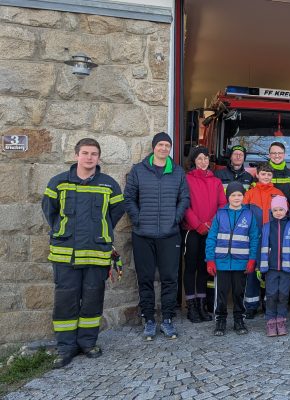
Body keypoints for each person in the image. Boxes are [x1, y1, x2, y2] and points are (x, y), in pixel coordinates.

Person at [42, 138, 125, 368]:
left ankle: (88, 343)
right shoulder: (58, 183)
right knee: (65, 300)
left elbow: (116, 212)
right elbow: (50, 212)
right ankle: (65, 347)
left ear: (99, 157)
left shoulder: (109, 185)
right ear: (76, 155)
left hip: (97, 253)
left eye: (94, 154)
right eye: (85, 153)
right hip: (65, 253)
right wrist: (63, 231)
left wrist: (100, 230)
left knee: (92, 299)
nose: (89, 157)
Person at [125, 132, 190, 341]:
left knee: (170, 279)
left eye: (167, 145)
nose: (163, 148)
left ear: (170, 149)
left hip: (170, 234)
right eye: (160, 144)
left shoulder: (177, 172)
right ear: (154, 147)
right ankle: (149, 320)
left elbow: (184, 198)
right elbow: (129, 197)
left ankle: (168, 319)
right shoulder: (139, 170)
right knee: (145, 278)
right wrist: (138, 219)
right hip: (143, 234)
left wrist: (176, 218)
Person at [205, 182, 260, 336]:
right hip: (221, 262)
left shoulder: (249, 215)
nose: (236, 198)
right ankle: (220, 320)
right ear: (228, 197)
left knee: (238, 293)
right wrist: (210, 259)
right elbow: (211, 238)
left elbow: (254, 238)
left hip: (241, 263)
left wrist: (252, 259)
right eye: (233, 195)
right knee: (221, 294)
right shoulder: (220, 214)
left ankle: (239, 320)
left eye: (239, 195)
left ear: (243, 196)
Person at [182, 146, 226, 324]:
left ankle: (201, 305)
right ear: (194, 161)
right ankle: (191, 307)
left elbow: (222, 205)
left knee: (203, 268)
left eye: (206, 158)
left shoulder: (216, 181)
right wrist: (198, 224)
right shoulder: (187, 179)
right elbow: (184, 204)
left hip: (210, 230)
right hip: (192, 230)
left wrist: (210, 224)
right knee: (190, 268)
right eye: (199, 158)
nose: (203, 162)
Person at [242, 163, 285, 319]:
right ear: (257, 175)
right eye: (263, 174)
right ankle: (251, 305)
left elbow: (284, 216)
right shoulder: (250, 194)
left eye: (269, 174)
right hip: (254, 238)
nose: (266, 177)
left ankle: (269, 303)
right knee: (252, 271)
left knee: (270, 272)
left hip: (272, 239)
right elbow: (244, 216)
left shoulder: (278, 193)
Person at [259, 195, 290, 337]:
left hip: (286, 269)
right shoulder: (267, 227)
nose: (278, 212)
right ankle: (271, 321)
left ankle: (281, 320)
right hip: (270, 268)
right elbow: (260, 247)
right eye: (275, 210)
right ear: (271, 211)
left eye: (281, 209)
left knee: (283, 295)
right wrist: (258, 267)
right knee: (271, 295)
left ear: (286, 210)